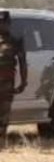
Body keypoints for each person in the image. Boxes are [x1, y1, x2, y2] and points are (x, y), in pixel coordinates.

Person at [0, 10, 27, 146]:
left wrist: (23, 81)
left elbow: (23, 62)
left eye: (3, 23)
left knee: (4, 113)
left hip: (6, 83)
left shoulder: (15, 42)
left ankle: (1, 141)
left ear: (8, 24)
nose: (1, 25)